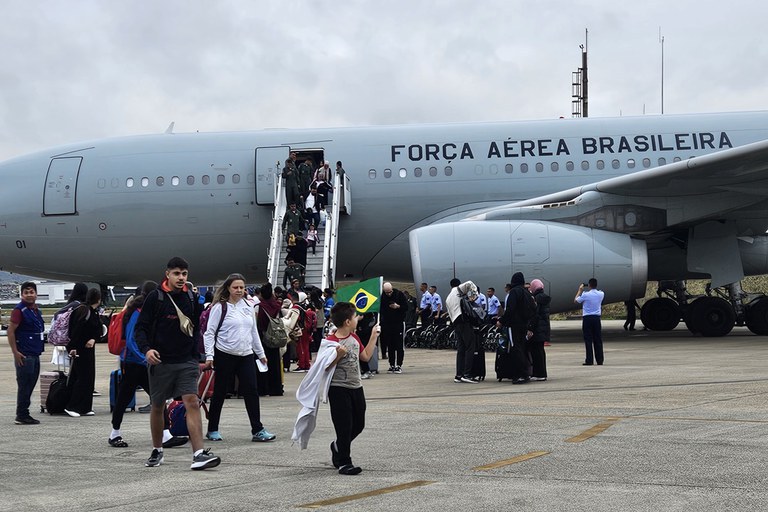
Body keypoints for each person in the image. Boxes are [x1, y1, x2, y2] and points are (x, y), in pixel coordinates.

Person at [134, 256, 220, 470]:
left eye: (184, 274)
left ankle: (198, 453)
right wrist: (147, 350)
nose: (181, 278)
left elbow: (200, 326)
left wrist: (200, 355)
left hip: (186, 361)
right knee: (157, 406)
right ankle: (157, 450)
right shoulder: (156, 298)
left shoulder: (191, 298)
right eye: (177, 274)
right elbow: (141, 328)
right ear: (168, 274)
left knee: (191, 401)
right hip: (161, 361)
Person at [203, 273, 275, 443]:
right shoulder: (219, 308)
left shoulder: (248, 306)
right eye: (235, 287)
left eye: (242, 287)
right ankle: (212, 428)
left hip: (246, 354)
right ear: (228, 288)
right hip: (224, 353)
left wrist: (261, 354)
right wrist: (209, 355)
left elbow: (253, 332)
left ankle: (257, 429)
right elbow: (209, 333)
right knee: (220, 392)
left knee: (251, 391)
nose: (239, 290)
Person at [326, 302, 378, 475]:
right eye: (355, 316)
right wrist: (337, 356)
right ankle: (344, 462)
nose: (358, 318)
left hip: (356, 386)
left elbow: (365, 357)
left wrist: (373, 337)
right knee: (344, 425)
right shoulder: (330, 341)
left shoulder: (354, 338)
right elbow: (322, 367)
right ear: (348, 321)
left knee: (359, 424)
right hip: (338, 388)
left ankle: (337, 446)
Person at [7, 281, 45, 425]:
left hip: (35, 353)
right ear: (22, 295)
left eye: (32, 292)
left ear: (36, 294)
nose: (29, 295)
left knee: (31, 384)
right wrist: (15, 352)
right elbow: (10, 331)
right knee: (24, 385)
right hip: (24, 354)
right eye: (26, 292)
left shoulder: (35, 310)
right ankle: (22, 414)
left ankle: (24, 412)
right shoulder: (19, 310)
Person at [64, 287, 102, 417]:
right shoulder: (84, 311)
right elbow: (76, 331)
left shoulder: (91, 311)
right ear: (98, 299)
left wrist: (93, 339)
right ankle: (72, 406)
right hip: (79, 349)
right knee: (81, 378)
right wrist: (73, 347)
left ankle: (85, 407)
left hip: (87, 350)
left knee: (88, 378)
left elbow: (97, 331)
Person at [498, 272, 532, 384]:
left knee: (515, 348)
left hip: (514, 325)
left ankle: (520, 374)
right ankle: (526, 373)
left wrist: (502, 321)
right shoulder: (527, 293)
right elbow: (533, 309)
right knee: (522, 347)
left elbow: (510, 310)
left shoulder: (514, 292)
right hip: (524, 324)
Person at [446, 279, 480, 383]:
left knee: (461, 350)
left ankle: (459, 375)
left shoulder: (448, 298)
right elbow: (470, 283)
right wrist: (472, 296)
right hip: (464, 322)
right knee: (470, 346)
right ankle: (467, 374)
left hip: (456, 324)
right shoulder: (458, 289)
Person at [256, 283, 285, 396]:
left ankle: (263, 388)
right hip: (275, 336)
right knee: (275, 363)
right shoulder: (276, 305)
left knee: (262, 362)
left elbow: (256, 321)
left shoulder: (259, 306)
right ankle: (276, 388)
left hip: (262, 337)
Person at [575, 278, 605, 366]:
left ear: (589, 285)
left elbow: (575, 300)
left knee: (588, 339)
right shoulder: (601, 294)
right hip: (596, 318)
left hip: (587, 318)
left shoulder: (585, 295)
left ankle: (589, 360)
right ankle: (600, 360)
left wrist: (580, 290)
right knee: (598, 339)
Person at [381, 282, 407, 374]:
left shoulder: (399, 295)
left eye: (390, 292)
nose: (388, 294)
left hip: (398, 323)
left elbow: (406, 307)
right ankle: (391, 364)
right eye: (386, 292)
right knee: (390, 345)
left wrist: (397, 306)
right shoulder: (382, 296)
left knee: (399, 345)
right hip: (387, 323)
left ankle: (399, 365)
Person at [527, 279, 550, 381]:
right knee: (540, 351)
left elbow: (535, 315)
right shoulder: (544, 298)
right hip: (544, 328)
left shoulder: (537, 299)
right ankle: (542, 373)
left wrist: (530, 328)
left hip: (537, 329)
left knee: (536, 352)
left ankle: (538, 374)